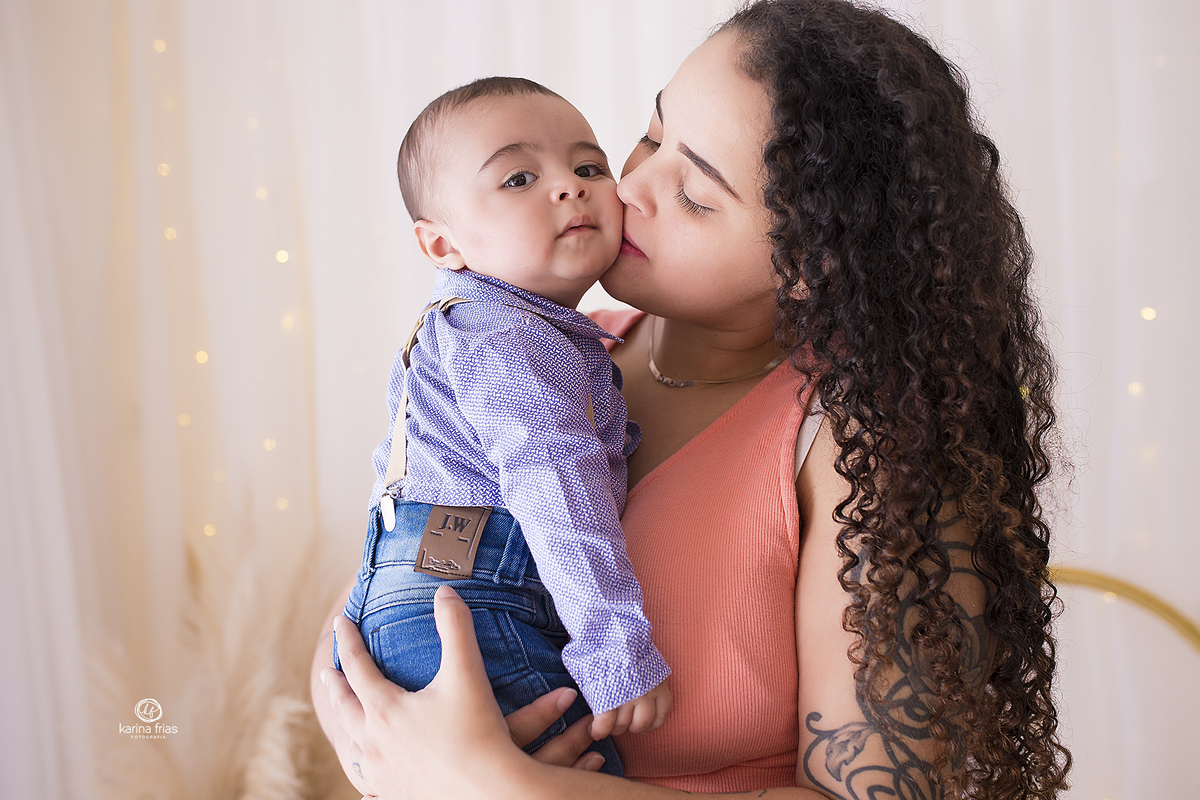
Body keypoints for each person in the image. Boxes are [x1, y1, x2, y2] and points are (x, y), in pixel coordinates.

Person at [312, 1, 1072, 798]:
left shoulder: (867, 452)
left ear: (815, 259)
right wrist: (380, 745)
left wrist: (499, 784)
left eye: (696, 194)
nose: (626, 188)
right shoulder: (555, 345)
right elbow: (381, 592)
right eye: (649, 134)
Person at [333, 76, 673, 778]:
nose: (568, 188)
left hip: (422, 590)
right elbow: (555, 488)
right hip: (472, 609)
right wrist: (616, 650)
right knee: (582, 782)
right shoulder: (509, 339)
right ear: (441, 244)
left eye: (588, 167)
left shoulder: (476, 328)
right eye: (519, 177)